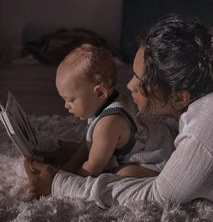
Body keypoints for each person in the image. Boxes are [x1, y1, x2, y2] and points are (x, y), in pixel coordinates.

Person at [24, 15, 213, 208]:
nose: (129, 85)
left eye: (139, 79)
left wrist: (59, 184)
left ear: (179, 97)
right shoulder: (210, 100)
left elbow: (157, 196)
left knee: (122, 174)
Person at [37, 43, 175, 178]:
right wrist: (72, 164)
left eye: (70, 100)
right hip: (163, 139)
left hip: (157, 162)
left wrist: (68, 179)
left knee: (118, 173)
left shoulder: (108, 124)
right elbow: (88, 143)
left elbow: (93, 168)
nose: (66, 105)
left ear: (99, 93)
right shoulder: (105, 101)